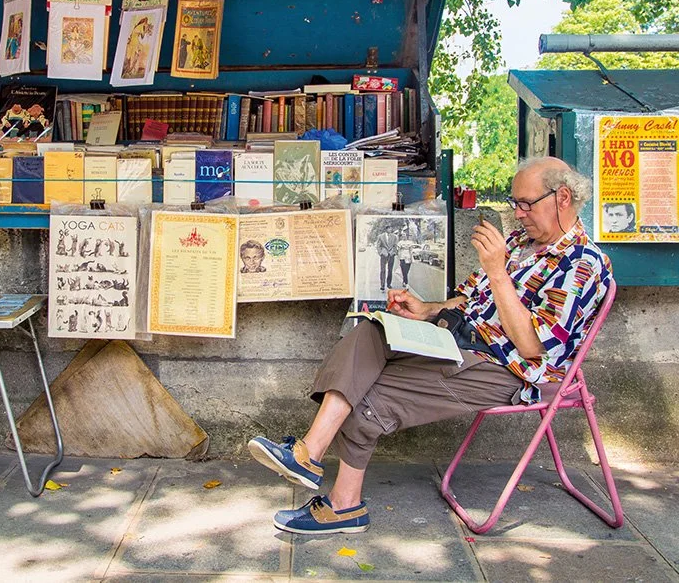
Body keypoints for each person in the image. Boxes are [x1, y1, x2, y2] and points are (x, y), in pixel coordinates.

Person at [247, 156, 611, 535]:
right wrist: (426, 309)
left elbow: (533, 345)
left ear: (562, 197)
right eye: (514, 202)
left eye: (525, 203)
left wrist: (499, 272)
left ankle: (344, 506)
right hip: (461, 340)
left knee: (370, 393)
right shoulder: (522, 242)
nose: (517, 214)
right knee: (369, 331)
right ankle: (307, 453)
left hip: (509, 368)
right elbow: (469, 300)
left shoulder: (583, 263)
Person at [375, 225, 400, 290]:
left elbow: (395, 245)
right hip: (384, 255)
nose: (390, 230)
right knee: (383, 270)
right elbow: (378, 246)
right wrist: (380, 253)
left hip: (391, 255)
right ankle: (382, 285)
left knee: (390, 270)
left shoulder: (394, 236)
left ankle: (389, 284)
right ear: (386, 229)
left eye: (391, 228)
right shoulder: (381, 236)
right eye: (389, 228)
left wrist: (394, 252)